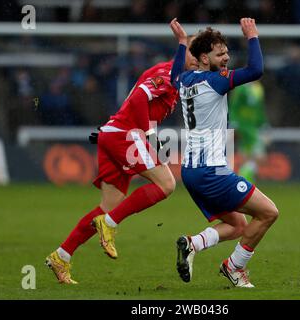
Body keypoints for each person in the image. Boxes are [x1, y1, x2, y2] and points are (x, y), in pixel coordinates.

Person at [45, 18, 198, 284]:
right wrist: (148, 135)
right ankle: (110, 224)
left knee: (107, 206)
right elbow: (139, 96)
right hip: (127, 135)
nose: (198, 62)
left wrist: (116, 129)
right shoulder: (168, 75)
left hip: (114, 133)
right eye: (195, 55)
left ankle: (62, 256)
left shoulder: (175, 77)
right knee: (166, 184)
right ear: (184, 53)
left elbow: (137, 102)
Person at [175, 18, 279, 288]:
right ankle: (234, 267)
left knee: (238, 225)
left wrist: (180, 44)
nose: (226, 58)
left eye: (227, 52)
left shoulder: (184, 81)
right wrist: (253, 36)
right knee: (268, 213)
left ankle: (192, 244)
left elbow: (176, 72)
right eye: (219, 53)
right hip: (211, 172)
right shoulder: (215, 81)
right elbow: (256, 70)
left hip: (191, 172)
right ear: (203, 58)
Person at [229, 81, 270, 184]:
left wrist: (263, 124)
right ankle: (244, 182)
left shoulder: (259, 88)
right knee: (258, 157)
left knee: (249, 158)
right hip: (243, 127)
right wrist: (234, 123)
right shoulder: (241, 89)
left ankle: (244, 182)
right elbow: (234, 106)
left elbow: (259, 109)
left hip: (254, 127)